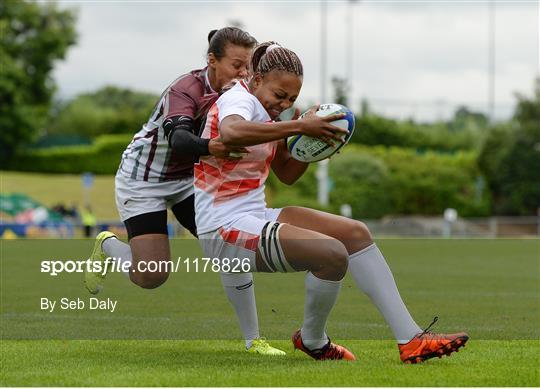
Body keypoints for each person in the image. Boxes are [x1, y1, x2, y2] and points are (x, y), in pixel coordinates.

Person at [195, 41, 469, 362]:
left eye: (292, 98)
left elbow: (287, 173)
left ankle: (411, 340)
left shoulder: (271, 117)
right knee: (331, 255)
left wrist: (316, 144)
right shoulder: (237, 99)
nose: (284, 103)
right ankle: (313, 341)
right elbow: (230, 133)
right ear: (256, 81)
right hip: (223, 228)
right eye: (279, 95)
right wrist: (299, 125)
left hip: (253, 214)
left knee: (355, 233)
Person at [84, 27, 285, 356]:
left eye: (249, 66)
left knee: (229, 250)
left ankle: (254, 341)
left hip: (188, 181)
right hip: (143, 180)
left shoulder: (243, 95)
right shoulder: (186, 88)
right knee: (152, 276)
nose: (244, 73)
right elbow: (179, 141)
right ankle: (108, 247)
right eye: (237, 65)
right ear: (212, 61)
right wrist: (214, 146)